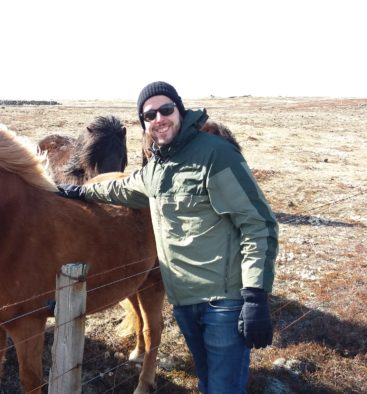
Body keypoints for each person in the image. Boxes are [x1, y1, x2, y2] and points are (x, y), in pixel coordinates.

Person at [58, 81, 279, 393]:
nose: (159, 118)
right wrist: (80, 191)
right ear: (144, 123)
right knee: (206, 380)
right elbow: (123, 188)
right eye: (150, 115)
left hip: (223, 301)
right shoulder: (159, 165)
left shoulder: (216, 154)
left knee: (224, 388)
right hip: (184, 299)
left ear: (180, 110)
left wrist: (255, 295)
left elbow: (259, 224)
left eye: (166, 110)